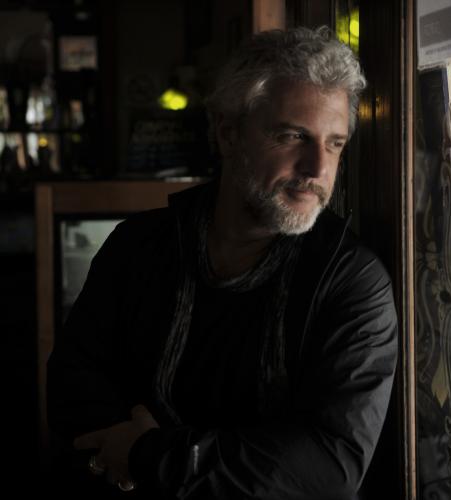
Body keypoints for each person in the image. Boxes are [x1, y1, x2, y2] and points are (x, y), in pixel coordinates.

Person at [47, 26, 398, 500]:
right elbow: (71, 390)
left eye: (334, 143)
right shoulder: (137, 245)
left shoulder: (352, 280)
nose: (318, 168)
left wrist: (151, 454)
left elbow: (330, 468)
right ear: (228, 133)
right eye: (293, 135)